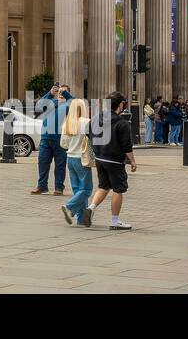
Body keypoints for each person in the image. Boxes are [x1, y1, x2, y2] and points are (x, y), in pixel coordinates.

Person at [84, 92, 136, 230]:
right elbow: (126, 146)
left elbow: (87, 132)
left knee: (103, 186)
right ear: (120, 105)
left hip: (100, 158)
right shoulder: (122, 123)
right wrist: (133, 161)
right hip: (114, 160)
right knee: (118, 189)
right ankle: (115, 220)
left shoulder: (96, 118)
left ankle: (91, 208)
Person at [60, 96, 95, 227]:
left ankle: (81, 219)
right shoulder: (86, 122)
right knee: (86, 189)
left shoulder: (67, 124)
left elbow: (63, 144)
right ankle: (69, 206)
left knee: (77, 190)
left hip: (70, 158)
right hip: (82, 158)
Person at [32, 84, 73, 194]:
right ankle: (42, 186)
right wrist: (50, 93)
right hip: (46, 137)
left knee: (60, 165)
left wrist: (66, 94)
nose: (61, 93)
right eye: (59, 91)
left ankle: (59, 187)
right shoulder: (51, 103)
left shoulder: (69, 104)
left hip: (60, 139)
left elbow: (74, 102)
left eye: (64, 92)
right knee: (43, 163)